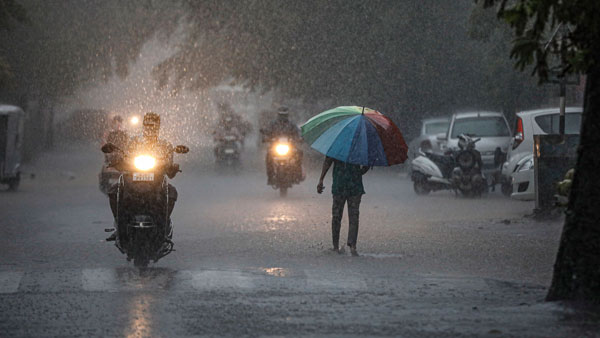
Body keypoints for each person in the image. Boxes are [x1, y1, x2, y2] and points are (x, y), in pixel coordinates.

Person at [104, 112, 180, 241]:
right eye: (147, 125)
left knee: (171, 192)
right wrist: (117, 160)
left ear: (158, 127)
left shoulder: (165, 145)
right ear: (143, 126)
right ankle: (119, 225)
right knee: (114, 191)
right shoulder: (134, 141)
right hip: (133, 178)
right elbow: (124, 157)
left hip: (156, 180)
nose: (150, 128)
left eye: (153, 125)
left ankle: (164, 225)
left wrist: (172, 167)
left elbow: (170, 168)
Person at [317, 156, 370, 256]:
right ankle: (352, 245)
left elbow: (327, 162)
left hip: (340, 185)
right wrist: (358, 172)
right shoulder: (359, 146)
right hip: (354, 186)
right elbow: (367, 163)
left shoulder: (337, 146)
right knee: (353, 216)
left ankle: (336, 247)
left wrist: (321, 179)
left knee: (337, 216)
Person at [261, 106, 303, 184]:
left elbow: (298, 133)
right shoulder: (273, 124)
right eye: (281, 115)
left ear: (287, 115)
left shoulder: (292, 125)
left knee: (299, 153)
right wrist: (266, 137)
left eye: (284, 115)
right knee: (268, 157)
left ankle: (298, 174)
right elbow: (267, 131)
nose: (282, 118)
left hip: (290, 147)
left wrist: (299, 138)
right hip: (275, 147)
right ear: (278, 115)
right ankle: (270, 177)